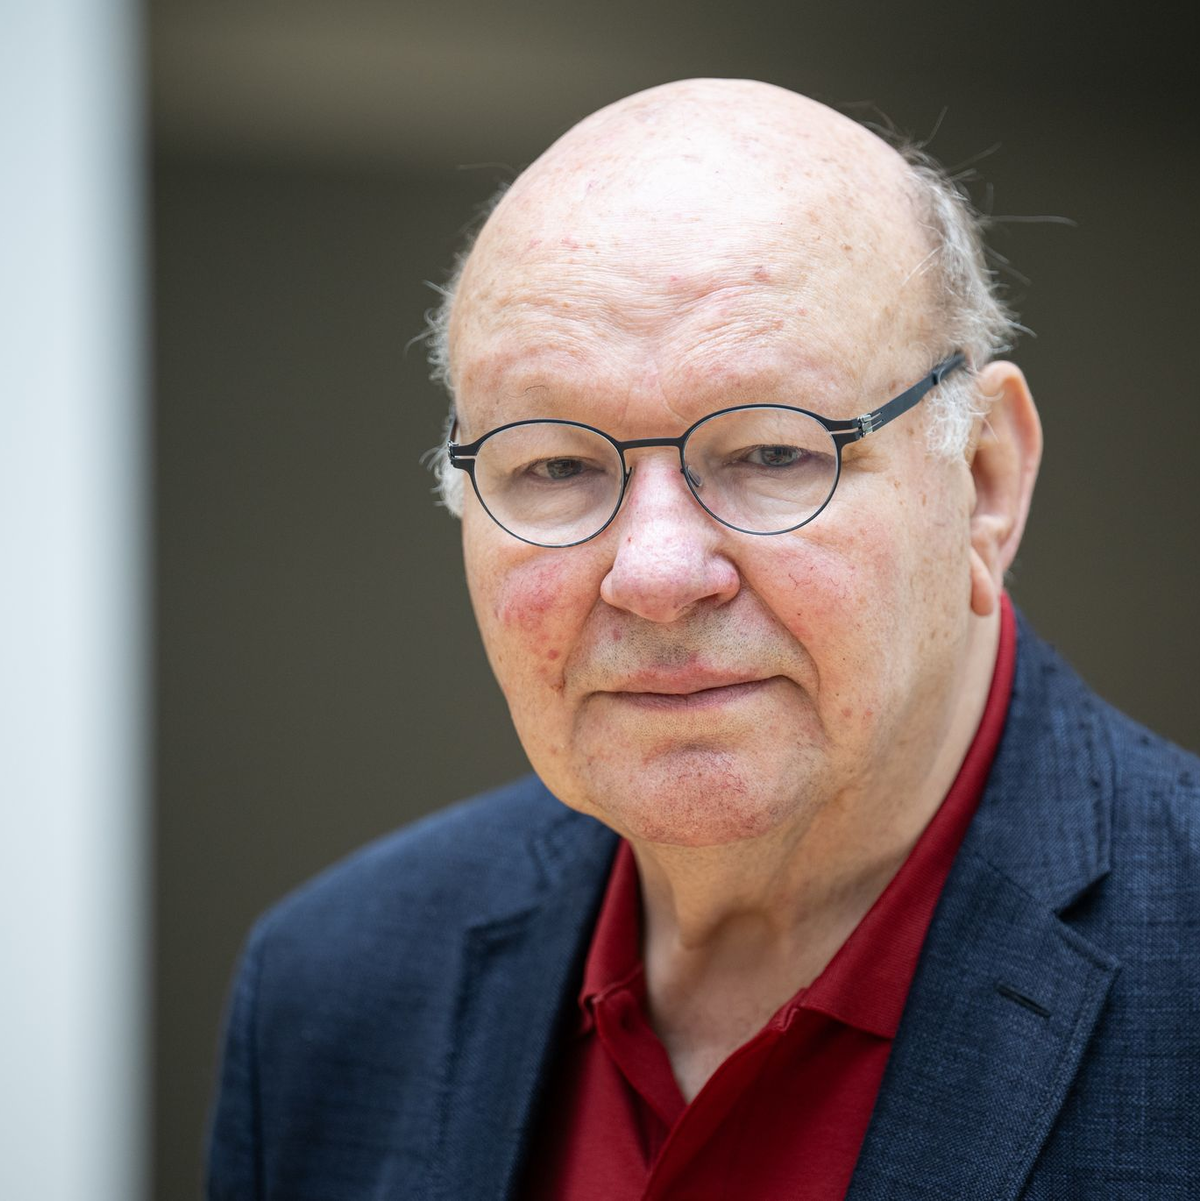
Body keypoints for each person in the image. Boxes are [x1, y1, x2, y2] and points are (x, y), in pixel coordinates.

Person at [207, 79, 1200, 1200]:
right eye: (556, 466)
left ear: (983, 484)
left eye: (774, 451)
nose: (658, 575)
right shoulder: (330, 994)